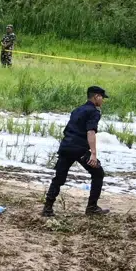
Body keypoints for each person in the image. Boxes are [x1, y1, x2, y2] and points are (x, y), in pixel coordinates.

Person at [43, 86, 109, 217]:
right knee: (98, 173)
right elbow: (90, 132)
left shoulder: (77, 109)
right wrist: (94, 154)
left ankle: (47, 208)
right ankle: (92, 208)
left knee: (59, 178)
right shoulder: (94, 112)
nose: (103, 101)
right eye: (102, 97)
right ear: (96, 97)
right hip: (79, 149)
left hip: (66, 146)